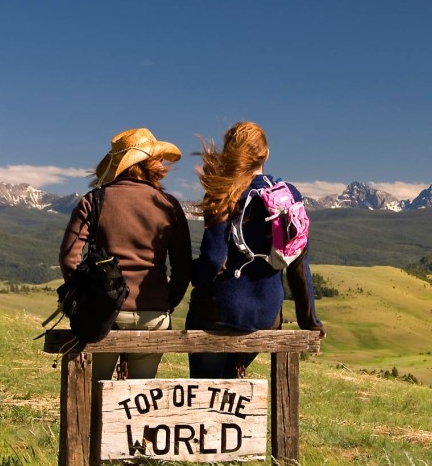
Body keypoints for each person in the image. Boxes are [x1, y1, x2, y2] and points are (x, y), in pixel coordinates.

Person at [187, 121, 326, 378]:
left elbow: (214, 258)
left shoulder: (223, 193)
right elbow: (298, 264)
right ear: (266, 154)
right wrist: (310, 321)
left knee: (206, 391)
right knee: (232, 388)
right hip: (266, 316)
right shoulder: (289, 197)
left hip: (219, 314)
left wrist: (195, 277)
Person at [59, 127, 192, 385]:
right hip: (153, 313)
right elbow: (183, 268)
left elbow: (69, 258)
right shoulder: (169, 205)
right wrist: (167, 302)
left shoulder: (94, 201)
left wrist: (86, 298)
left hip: (104, 312)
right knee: (138, 400)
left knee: (94, 395)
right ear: (151, 163)